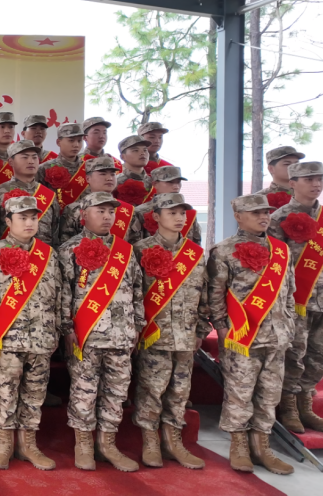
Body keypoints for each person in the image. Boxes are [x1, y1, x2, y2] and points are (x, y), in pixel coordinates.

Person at [207, 194, 297, 475]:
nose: (263, 217)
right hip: (242, 337)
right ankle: (239, 446)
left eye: (266, 212)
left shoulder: (281, 250)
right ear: (238, 216)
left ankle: (262, 447)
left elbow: (289, 293)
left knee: (269, 394)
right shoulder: (223, 250)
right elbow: (215, 295)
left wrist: (289, 323)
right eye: (256, 212)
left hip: (276, 335)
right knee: (240, 393)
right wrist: (222, 328)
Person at [59, 191, 143, 472]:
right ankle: (83, 444)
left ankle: (108, 444)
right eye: (100, 211)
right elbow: (63, 294)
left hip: (120, 334)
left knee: (116, 392)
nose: (107, 217)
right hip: (86, 336)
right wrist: (67, 328)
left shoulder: (125, 251)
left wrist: (137, 326)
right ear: (84, 215)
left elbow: (137, 290)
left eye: (111, 212)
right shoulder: (70, 249)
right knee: (84, 391)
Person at [0, 195, 60, 471]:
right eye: (22, 218)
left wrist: (57, 330)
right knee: (6, 392)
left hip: (42, 336)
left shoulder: (48, 254)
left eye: (33, 218)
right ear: (8, 221)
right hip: (9, 338)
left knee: (35, 394)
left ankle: (28, 445)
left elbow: (58, 295)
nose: (29, 223)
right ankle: (4, 445)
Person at [131, 193, 208, 469]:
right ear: (156, 216)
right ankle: (150, 440)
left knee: (180, 390)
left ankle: (173, 440)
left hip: (186, 334)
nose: (179, 218)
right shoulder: (140, 250)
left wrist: (201, 329)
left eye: (182, 213)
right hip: (154, 333)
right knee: (152, 389)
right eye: (172, 213)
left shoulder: (195, 254)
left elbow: (204, 294)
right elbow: (133, 294)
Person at [267, 161, 323, 434]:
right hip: (295, 301)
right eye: (309, 179)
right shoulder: (278, 218)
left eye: (319, 179)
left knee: (318, 353)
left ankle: (305, 405)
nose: (316, 184)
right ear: (292, 183)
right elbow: (272, 264)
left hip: (322, 299)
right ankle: (288, 406)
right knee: (294, 354)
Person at [0, 140, 60, 247]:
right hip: (9, 253)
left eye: (34, 157)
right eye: (25, 157)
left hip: (42, 255)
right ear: (11, 161)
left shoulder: (49, 194)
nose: (31, 161)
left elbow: (55, 232)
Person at [60, 157, 143, 244]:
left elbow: (134, 245)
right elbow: (65, 243)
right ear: (88, 178)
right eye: (103, 174)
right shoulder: (74, 209)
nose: (109, 178)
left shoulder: (129, 211)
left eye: (113, 174)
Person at [133, 166, 202, 244]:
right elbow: (135, 245)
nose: (176, 186)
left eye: (178, 182)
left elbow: (196, 243)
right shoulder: (140, 212)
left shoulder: (188, 211)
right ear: (155, 184)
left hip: (184, 251)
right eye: (170, 182)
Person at [38, 123, 86, 207]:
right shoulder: (44, 168)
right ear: (58, 142)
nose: (76, 145)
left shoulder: (88, 168)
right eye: (71, 140)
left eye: (79, 141)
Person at [114, 135, 153, 201]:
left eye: (145, 150)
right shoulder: (115, 182)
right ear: (123, 157)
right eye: (135, 150)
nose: (142, 153)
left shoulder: (153, 182)